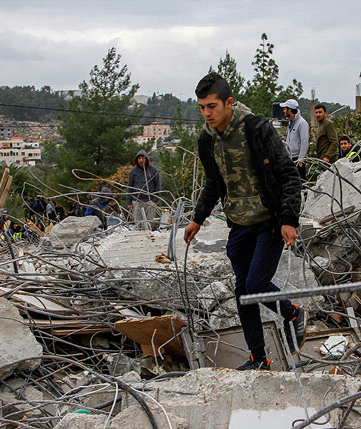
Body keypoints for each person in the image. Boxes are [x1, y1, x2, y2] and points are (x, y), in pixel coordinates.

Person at [184, 73, 307, 371]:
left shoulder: (256, 129)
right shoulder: (207, 140)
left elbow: (288, 174)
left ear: (228, 103)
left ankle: (292, 313)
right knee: (243, 293)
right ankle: (258, 358)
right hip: (239, 224)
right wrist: (198, 218)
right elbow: (214, 183)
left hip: (269, 221)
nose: (207, 113)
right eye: (201, 107)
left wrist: (289, 219)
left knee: (254, 286)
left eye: (212, 106)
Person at [127, 149, 161, 230]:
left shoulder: (153, 170)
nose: (141, 160)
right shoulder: (133, 171)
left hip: (150, 201)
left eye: (143, 158)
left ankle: (149, 238)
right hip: (136, 201)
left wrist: (154, 201)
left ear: (146, 159)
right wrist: (129, 202)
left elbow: (158, 186)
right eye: (139, 158)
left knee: (149, 224)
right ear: (137, 160)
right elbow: (129, 187)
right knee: (139, 224)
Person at [281, 99, 309, 180]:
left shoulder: (302, 123)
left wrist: (301, 159)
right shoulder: (290, 122)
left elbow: (304, 142)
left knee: (300, 182)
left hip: (297, 159)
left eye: (285, 109)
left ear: (289, 110)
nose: (283, 111)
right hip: (290, 157)